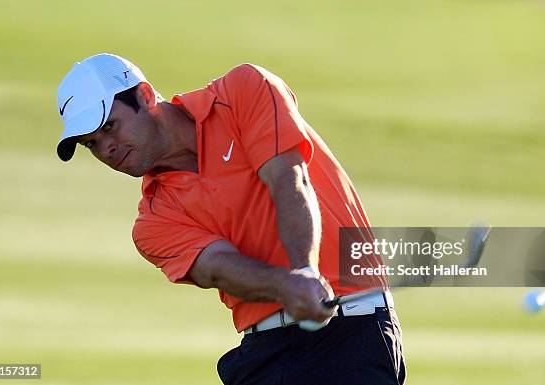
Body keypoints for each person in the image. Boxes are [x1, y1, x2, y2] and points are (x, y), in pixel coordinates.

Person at [55, 53, 406, 385]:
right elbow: (217, 267)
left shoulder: (242, 91)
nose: (106, 149)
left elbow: (288, 180)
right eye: (92, 144)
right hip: (266, 356)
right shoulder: (153, 221)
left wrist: (305, 269)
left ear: (145, 96)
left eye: (110, 126)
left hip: (352, 335)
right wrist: (287, 286)